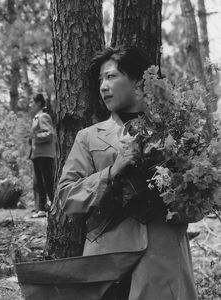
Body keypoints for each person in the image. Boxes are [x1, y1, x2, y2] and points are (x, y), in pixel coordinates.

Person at [58, 47, 198, 299]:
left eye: (111, 77)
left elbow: (198, 206)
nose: (103, 86)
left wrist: (169, 190)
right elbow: (66, 197)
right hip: (109, 265)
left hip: (163, 261)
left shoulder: (177, 133)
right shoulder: (89, 137)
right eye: (101, 79)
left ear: (137, 82)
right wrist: (112, 171)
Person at [29, 94, 56, 218]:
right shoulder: (35, 118)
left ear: (39, 103)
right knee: (39, 182)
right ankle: (42, 209)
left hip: (44, 154)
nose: (30, 105)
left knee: (47, 182)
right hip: (38, 154)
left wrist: (35, 137)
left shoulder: (43, 116)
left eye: (32, 102)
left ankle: (55, 207)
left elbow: (49, 134)